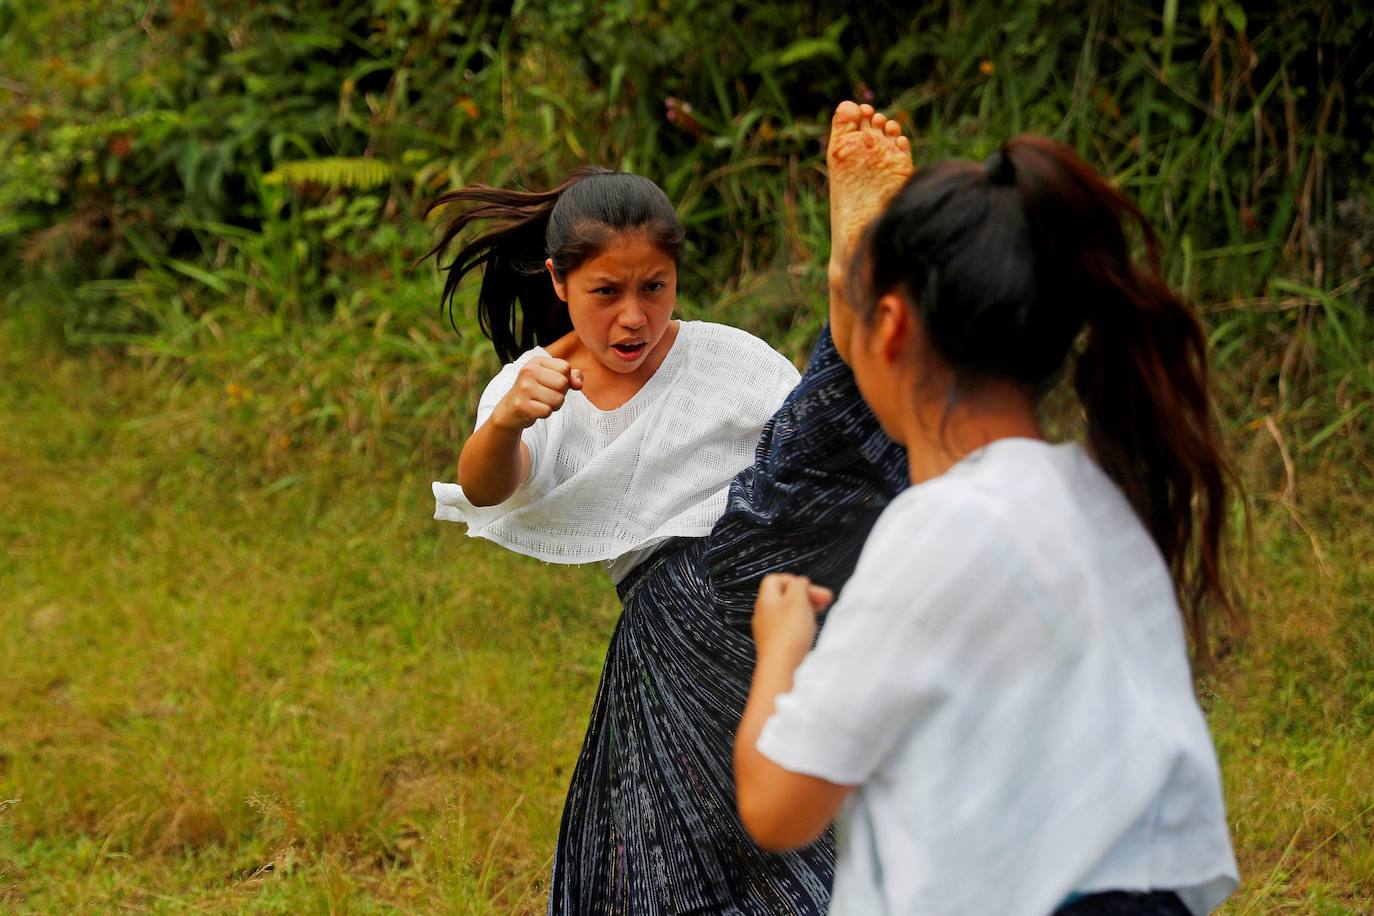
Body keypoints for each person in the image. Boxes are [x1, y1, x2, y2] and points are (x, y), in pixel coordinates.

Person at [734, 122, 1243, 915]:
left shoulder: (935, 531)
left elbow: (775, 803)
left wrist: (783, 648)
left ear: (891, 327)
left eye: (851, 310)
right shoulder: (1105, 501)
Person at [427, 108, 917, 913]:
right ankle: (853, 295)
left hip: (774, 576)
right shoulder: (535, 382)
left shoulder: (723, 356)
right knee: (692, 837)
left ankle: (857, 293)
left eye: (655, 288)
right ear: (558, 282)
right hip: (676, 612)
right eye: (607, 292)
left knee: (820, 461)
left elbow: (809, 451)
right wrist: (511, 417)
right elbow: (486, 488)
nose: (634, 317)